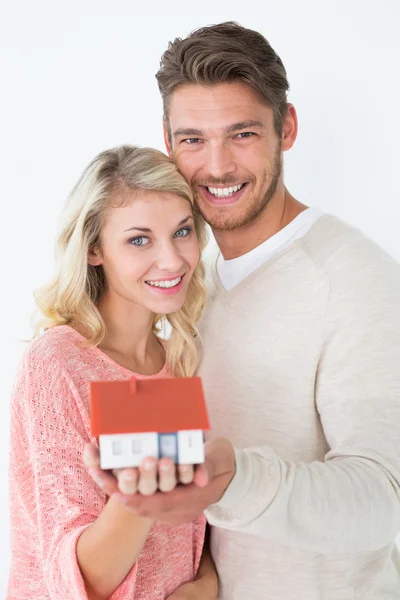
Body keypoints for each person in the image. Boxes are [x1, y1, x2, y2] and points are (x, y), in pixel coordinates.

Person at [85, 22, 400, 600]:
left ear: (288, 127)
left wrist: (235, 480)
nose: (218, 166)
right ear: (167, 141)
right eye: (193, 140)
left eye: (243, 134)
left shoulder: (356, 279)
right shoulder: (182, 283)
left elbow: (386, 499)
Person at [7, 145, 219, 600]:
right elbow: (81, 579)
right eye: (139, 239)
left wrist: (205, 585)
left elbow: (189, 526)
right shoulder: (60, 363)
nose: (173, 260)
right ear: (94, 250)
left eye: (182, 231)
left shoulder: (179, 360)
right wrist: (140, 500)